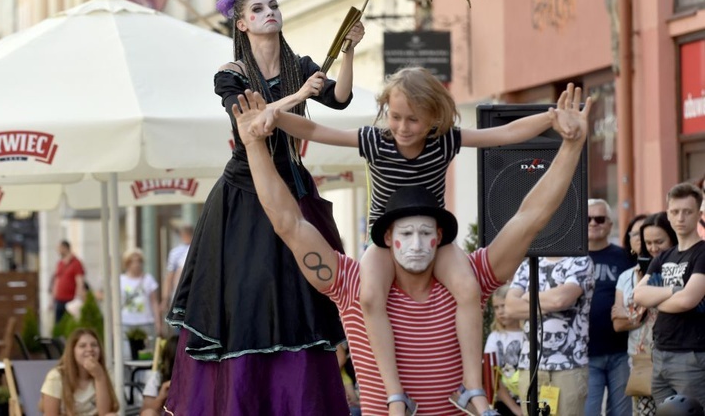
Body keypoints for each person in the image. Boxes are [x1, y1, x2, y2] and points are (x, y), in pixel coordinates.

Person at [230, 84, 589, 415]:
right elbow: (289, 223)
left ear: (440, 235)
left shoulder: (470, 278)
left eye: (425, 232)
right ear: (387, 237)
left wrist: (571, 145)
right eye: (405, 233)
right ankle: (395, 395)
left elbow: (530, 217)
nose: (416, 244)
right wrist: (255, 145)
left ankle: (471, 389)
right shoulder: (355, 285)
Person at [165, 0, 365, 415]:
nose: (268, 12)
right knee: (249, 300)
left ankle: (297, 399)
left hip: (293, 188)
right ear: (242, 25)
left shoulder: (301, 64)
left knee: (304, 300)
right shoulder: (231, 75)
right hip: (245, 197)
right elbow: (250, 125)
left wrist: (349, 49)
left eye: (272, 5)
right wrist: (298, 94)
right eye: (257, 9)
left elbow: (342, 98)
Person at [633, 182, 705, 407]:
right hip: (661, 352)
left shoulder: (702, 253)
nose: (680, 218)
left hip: (691, 356)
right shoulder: (664, 257)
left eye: (687, 211)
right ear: (668, 215)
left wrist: (657, 300)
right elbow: (639, 295)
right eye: (675, 212)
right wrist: (673, 290)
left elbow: (688, 301)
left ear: (699, 214)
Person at [505, 248, 594, 416]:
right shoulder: (526, 266)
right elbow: (510, 308)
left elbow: (560, 299)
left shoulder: (579, 261)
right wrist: (550, 300)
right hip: (529, 367)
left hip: (568, 366)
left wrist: (526, 297)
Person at [613, 212, 677, 416]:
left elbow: (680, 305)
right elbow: (618, 323)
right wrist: (644, 305)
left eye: (659, 241)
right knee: (644, 410)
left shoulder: (679, 269)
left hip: (675, 352)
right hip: (641, 356)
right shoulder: (629, 275)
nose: (653, 248)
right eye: (647, 242)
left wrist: (634, 310)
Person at [584, 198, 635, 416]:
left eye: (600, 218)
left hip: (621, 351)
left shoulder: (624, 257)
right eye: (588, 219)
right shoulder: (572, 258)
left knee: (622, 414)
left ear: (610, 225)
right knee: (589, 412)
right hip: (586, 352)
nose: (593, 223)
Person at [39, 328, 119, 416]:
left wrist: (99, 377)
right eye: (82, 346)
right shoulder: (56, 376)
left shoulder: (105, 374)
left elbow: (104, 413)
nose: (90, 349)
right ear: (72, 351)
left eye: (94, 345)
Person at [484, 285, 522, 416]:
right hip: (505, 404)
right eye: (496, 307)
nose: (500, 311)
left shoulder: (530, 334)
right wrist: (515, 409)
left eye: (504, 305)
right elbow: (493, 378)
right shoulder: (494, 337)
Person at [120, 248, 162, 340]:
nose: (136, 264)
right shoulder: (121, 280)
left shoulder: (148, 279)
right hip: (126, 322)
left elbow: (154, 302)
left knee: (146, 352)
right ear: (127, 264)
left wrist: (158, 322)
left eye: (139, 261)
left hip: (145, 322)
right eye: (133, 262)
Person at [141, 334, 179, 416]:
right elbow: (145, 412)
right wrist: (162, 396)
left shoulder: (196, 378)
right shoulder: (157, 378)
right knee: (148, 413)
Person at [52, 240, 86, 325]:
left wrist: (78, 297)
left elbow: (80, 281)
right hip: (59, 299)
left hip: (70, 299)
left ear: (65, 248)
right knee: (58, 324)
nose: (58, 250)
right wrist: (53, 297)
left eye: (59, 248)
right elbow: (57, 280)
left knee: (69, 324)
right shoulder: (60, 263)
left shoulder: (76, 263)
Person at [161, 225, 192, 308]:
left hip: (181, 292)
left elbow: (170, 276)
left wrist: (166, 298)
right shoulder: (200, 249)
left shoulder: (176, 252)